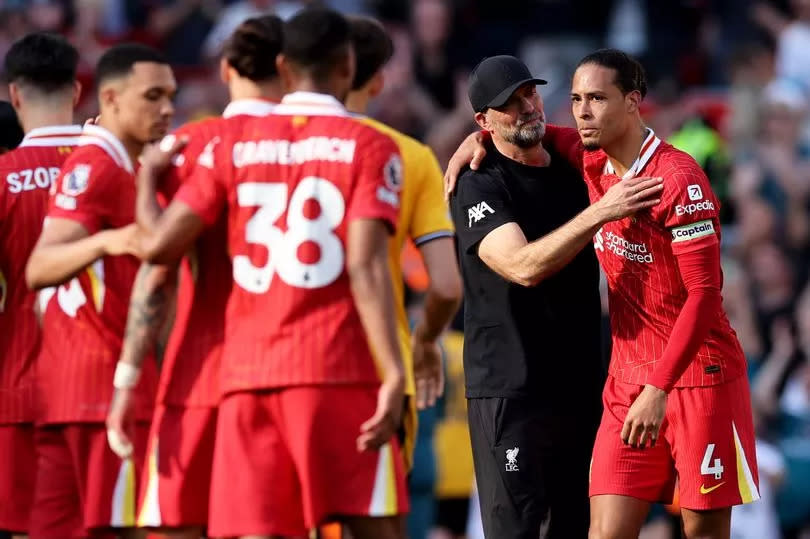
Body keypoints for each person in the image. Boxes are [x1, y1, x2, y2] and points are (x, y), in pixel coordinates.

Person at [446, 48, 760, 539]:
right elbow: (537, 133)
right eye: (575, 99)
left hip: (698, 376)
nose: (583, 111)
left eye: (597, 98)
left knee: (703, 532)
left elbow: (704, 295)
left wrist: (660, 388)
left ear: (633, 101)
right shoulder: (591, 162)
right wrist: (480, 135)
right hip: (623, 380)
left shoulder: (679, 180)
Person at [132, 8, 409, 539]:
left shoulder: (229, 146)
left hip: (248, 377)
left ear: (283, 67)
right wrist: (393, 371)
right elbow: (366, 264)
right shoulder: (371, 144)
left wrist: (147, 180)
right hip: (338, 368)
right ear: (348, 66)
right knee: (376, 527)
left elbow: (160, 247)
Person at [447, 54, 662, 539]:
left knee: (578, 527)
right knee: (518, 531)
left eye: (530, 93)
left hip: (581, 386)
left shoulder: (574, 166)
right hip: (511, 390)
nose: (526, 107)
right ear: (484, 121)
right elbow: (522, 267)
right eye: (509, 104)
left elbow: (632, 141)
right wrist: (599, 213)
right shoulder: (478, 182)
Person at [104, 15, 285, 539]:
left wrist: (127, 379)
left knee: (174, 527)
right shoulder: (331, 144)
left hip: (201, 374)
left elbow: (158, 268)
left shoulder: (194, 144)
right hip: (286, 374)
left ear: (226, 68)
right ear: (288, 71)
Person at [24, 43, 176, 539]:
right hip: (105, 389)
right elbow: (40, 265)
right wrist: (112, 239)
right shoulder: (98, 166)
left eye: (170, 96)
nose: (167, 109)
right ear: (109, 99)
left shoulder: (126, 167)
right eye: (152, 97)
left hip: (70, 391)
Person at [0, 32, 82, 538]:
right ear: (77, 91)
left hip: (20, 388)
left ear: (14, 95)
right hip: (110, 392)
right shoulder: (124, 167)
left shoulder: (2, 178)